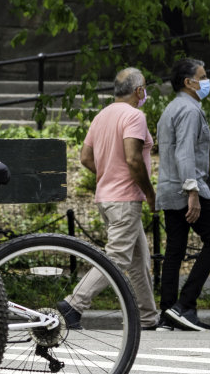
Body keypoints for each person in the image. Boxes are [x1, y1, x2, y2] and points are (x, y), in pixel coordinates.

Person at [63, 67, 160, 331]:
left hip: (106, 198)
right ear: (139, 91)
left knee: (139, 259)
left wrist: (108, 173)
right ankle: (74, 304)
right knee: (116, 258)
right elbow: (133, 158)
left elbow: (85, 158)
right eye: (144, 89)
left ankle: (147, 316)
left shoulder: (101, 116)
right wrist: (150, 194)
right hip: (125, 199)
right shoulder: (134, 116)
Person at [154, 58, 210, 331]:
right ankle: (184, 306)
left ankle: (168, 314)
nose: (206, 82)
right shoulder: (190, 111)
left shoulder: (171, 108)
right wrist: (192, 191)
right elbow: (184, 152)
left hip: (169, 188)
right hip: (188, 187)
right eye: (202, 77)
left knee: (175, 250)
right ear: (188, 82)